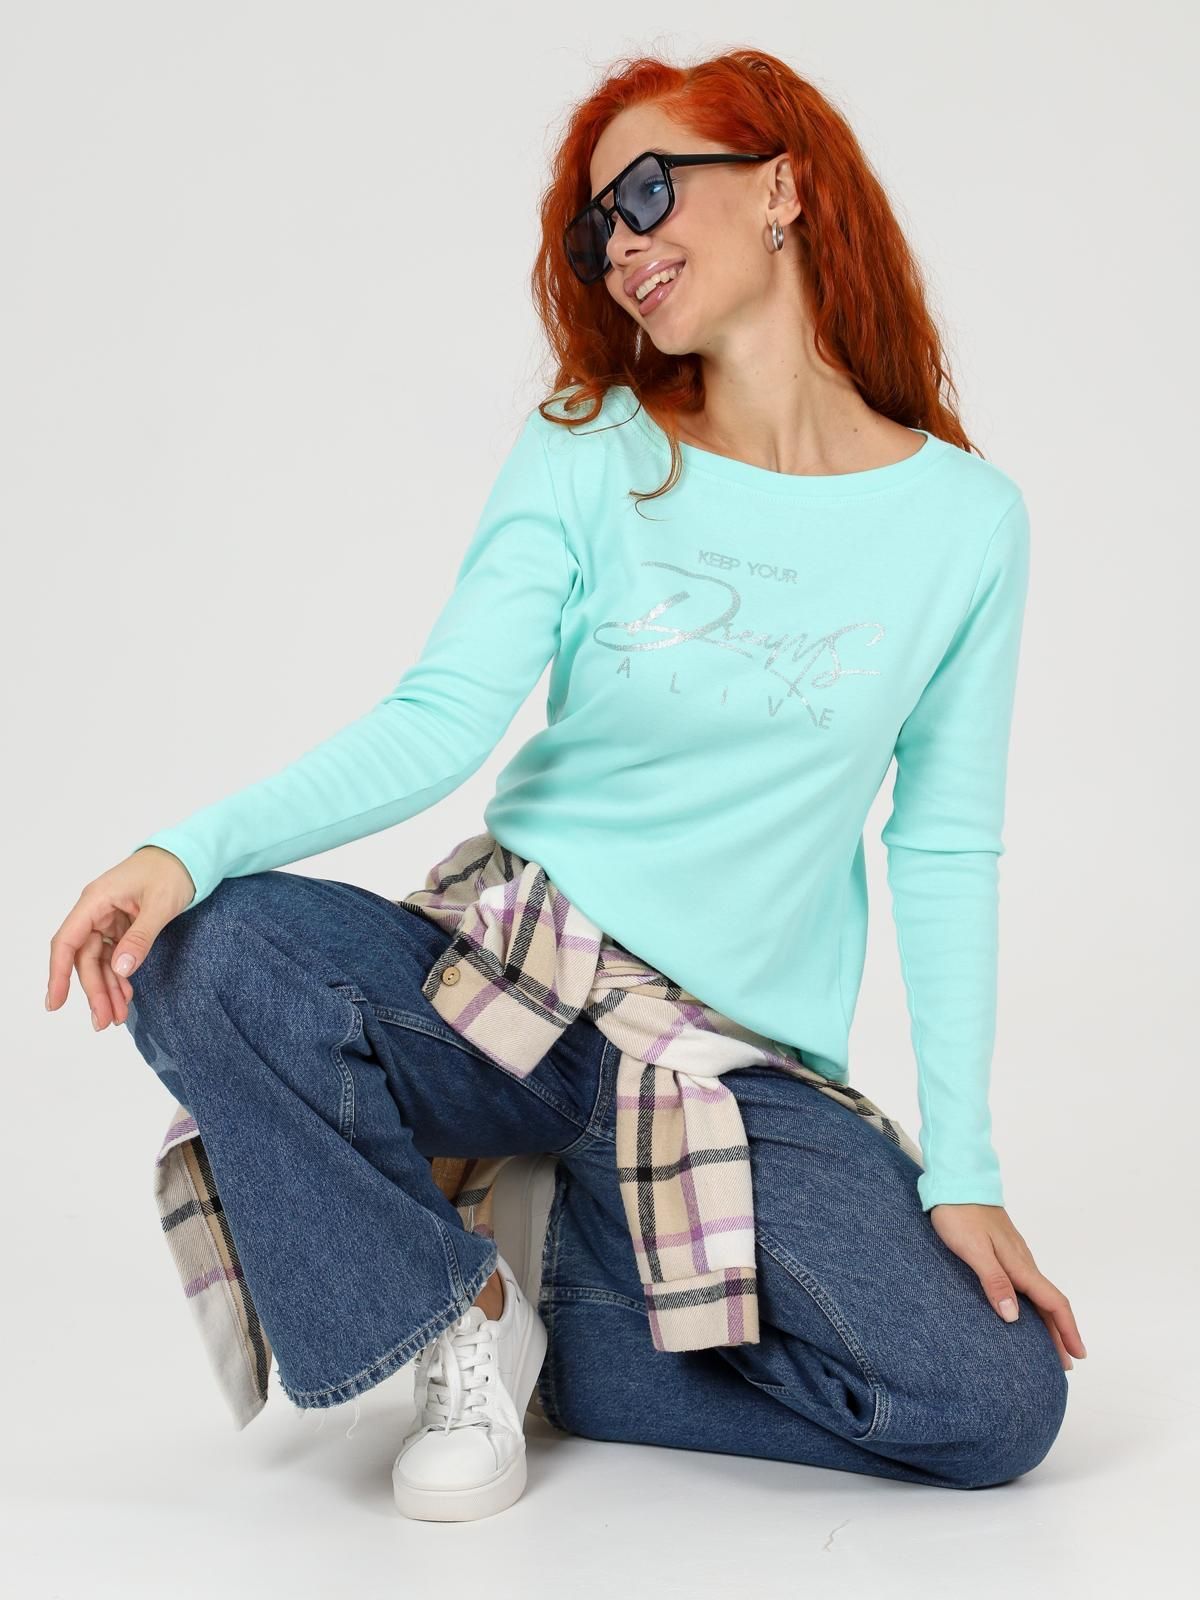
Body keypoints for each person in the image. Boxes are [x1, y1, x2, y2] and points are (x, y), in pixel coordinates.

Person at [45, 46, 1084, 1519]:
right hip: (508, 986)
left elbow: (947, 846)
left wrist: (962, 1171)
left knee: (995, 1405)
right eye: (600, 228)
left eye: (649, 192)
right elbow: (438, 720)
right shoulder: (591, 445)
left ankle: (534, 1295)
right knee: (206, 957)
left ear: (782, 187)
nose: (623, 246)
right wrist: (184, 850)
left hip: (723, 1061)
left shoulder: (964, 524)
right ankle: (457, 1317)